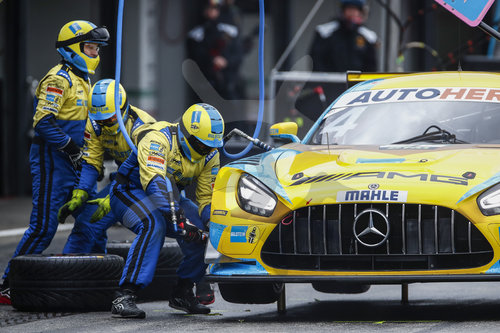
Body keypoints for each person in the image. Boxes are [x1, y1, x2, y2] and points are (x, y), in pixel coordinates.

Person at [0, 20, 109, 305]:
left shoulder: (84, 78)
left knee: (93, 221)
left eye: (97, 48)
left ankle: (98, 282)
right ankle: (8, 283)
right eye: (90, 47)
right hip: (53, 161)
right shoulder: (57, 79)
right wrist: (71, 148)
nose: (95, 52)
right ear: (73, 48)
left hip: (77, 161)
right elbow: (43, 124)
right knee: (44, 226)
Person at [108, 103, 223, 318]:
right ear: (186, 134)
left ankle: (183, 291)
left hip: (170, 198)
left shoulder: (211, 154)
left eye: (210, 146)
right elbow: (155, 182)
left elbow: (207, 198)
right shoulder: (158, 138)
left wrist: (212, 224)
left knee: (206, 229)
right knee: (154, 224)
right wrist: (179, 219)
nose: (206, 151)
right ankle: (124, 296)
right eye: (201, 145)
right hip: (129, 191)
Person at [57, 79, 156, 253]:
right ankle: (78, 272)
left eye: (109, 119)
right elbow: (91, 161)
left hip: (153, 184)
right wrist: (81, 193)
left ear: (122, 109)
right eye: (99, 119)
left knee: (161, 229)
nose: (104, 124)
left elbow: (149, 172)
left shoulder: (144, 127)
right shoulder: (95, 125)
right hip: (124, 183)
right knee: (87, 222)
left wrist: (113, 196)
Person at [186, 0, 244, 103]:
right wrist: (212, 60)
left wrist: (226, 61)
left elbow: (238, 55)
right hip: (205, 84)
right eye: (209, 8)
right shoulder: (196, 34)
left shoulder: (230, 31)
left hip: (228, 83)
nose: (212, 12)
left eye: (215, 8)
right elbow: (194, 57)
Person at [309, 0, 377, 72]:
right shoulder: (324, 33)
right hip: (329, 81)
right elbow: (316, 61)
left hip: (357, 82)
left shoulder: (368, 37)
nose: (352, 13)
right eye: (349, 9)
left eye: (355, 10)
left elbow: (371, 67)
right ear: (342, 11)